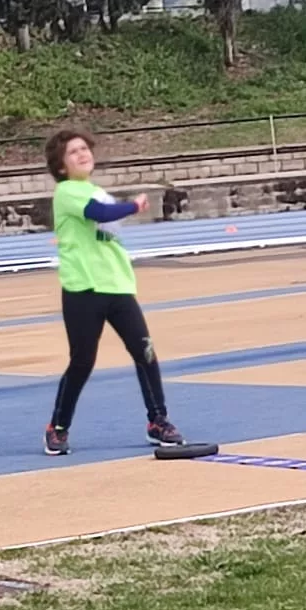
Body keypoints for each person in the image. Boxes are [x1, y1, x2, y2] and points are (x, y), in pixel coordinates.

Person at [41, 129, 184, 456]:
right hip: (84, 289)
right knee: (83, 361)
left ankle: (158, 420)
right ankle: (58, 426)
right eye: (73, 152)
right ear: (61, 167)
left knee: (144, 352)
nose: (82, 154)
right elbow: (99, 215)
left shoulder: (96, 190)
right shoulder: (68, 192)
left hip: (117, 286)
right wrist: (133, 205)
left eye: (84, 149)